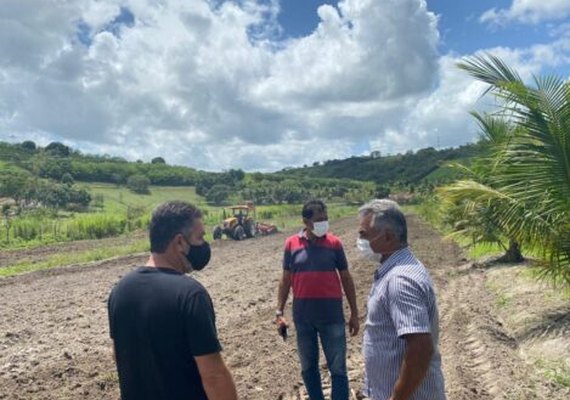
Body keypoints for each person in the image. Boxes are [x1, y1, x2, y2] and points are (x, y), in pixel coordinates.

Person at [107, 201, 237, 400]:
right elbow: (213, 376)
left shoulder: (120, 291)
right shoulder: (190, 295)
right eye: (200, 237)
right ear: (179, 242)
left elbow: (120, 358)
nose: (204, 244)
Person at [357, 199, 446, 400]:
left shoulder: (400, 280)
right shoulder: (398, 270)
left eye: (364, 234)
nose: (360, 241)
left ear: (387, 236)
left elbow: (420, 348)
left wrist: (396, 397)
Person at [276, 199, 359, 400]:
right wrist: (279, 312)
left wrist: (354, 313)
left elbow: (346, 277)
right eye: (319, 219)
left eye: (326, 218)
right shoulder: (291, 244)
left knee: (338, 367)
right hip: (303, 318)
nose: (324, 223)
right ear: (306, 221)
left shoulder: (335, 244)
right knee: (308, 366)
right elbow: (286, 279)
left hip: (332, 317)